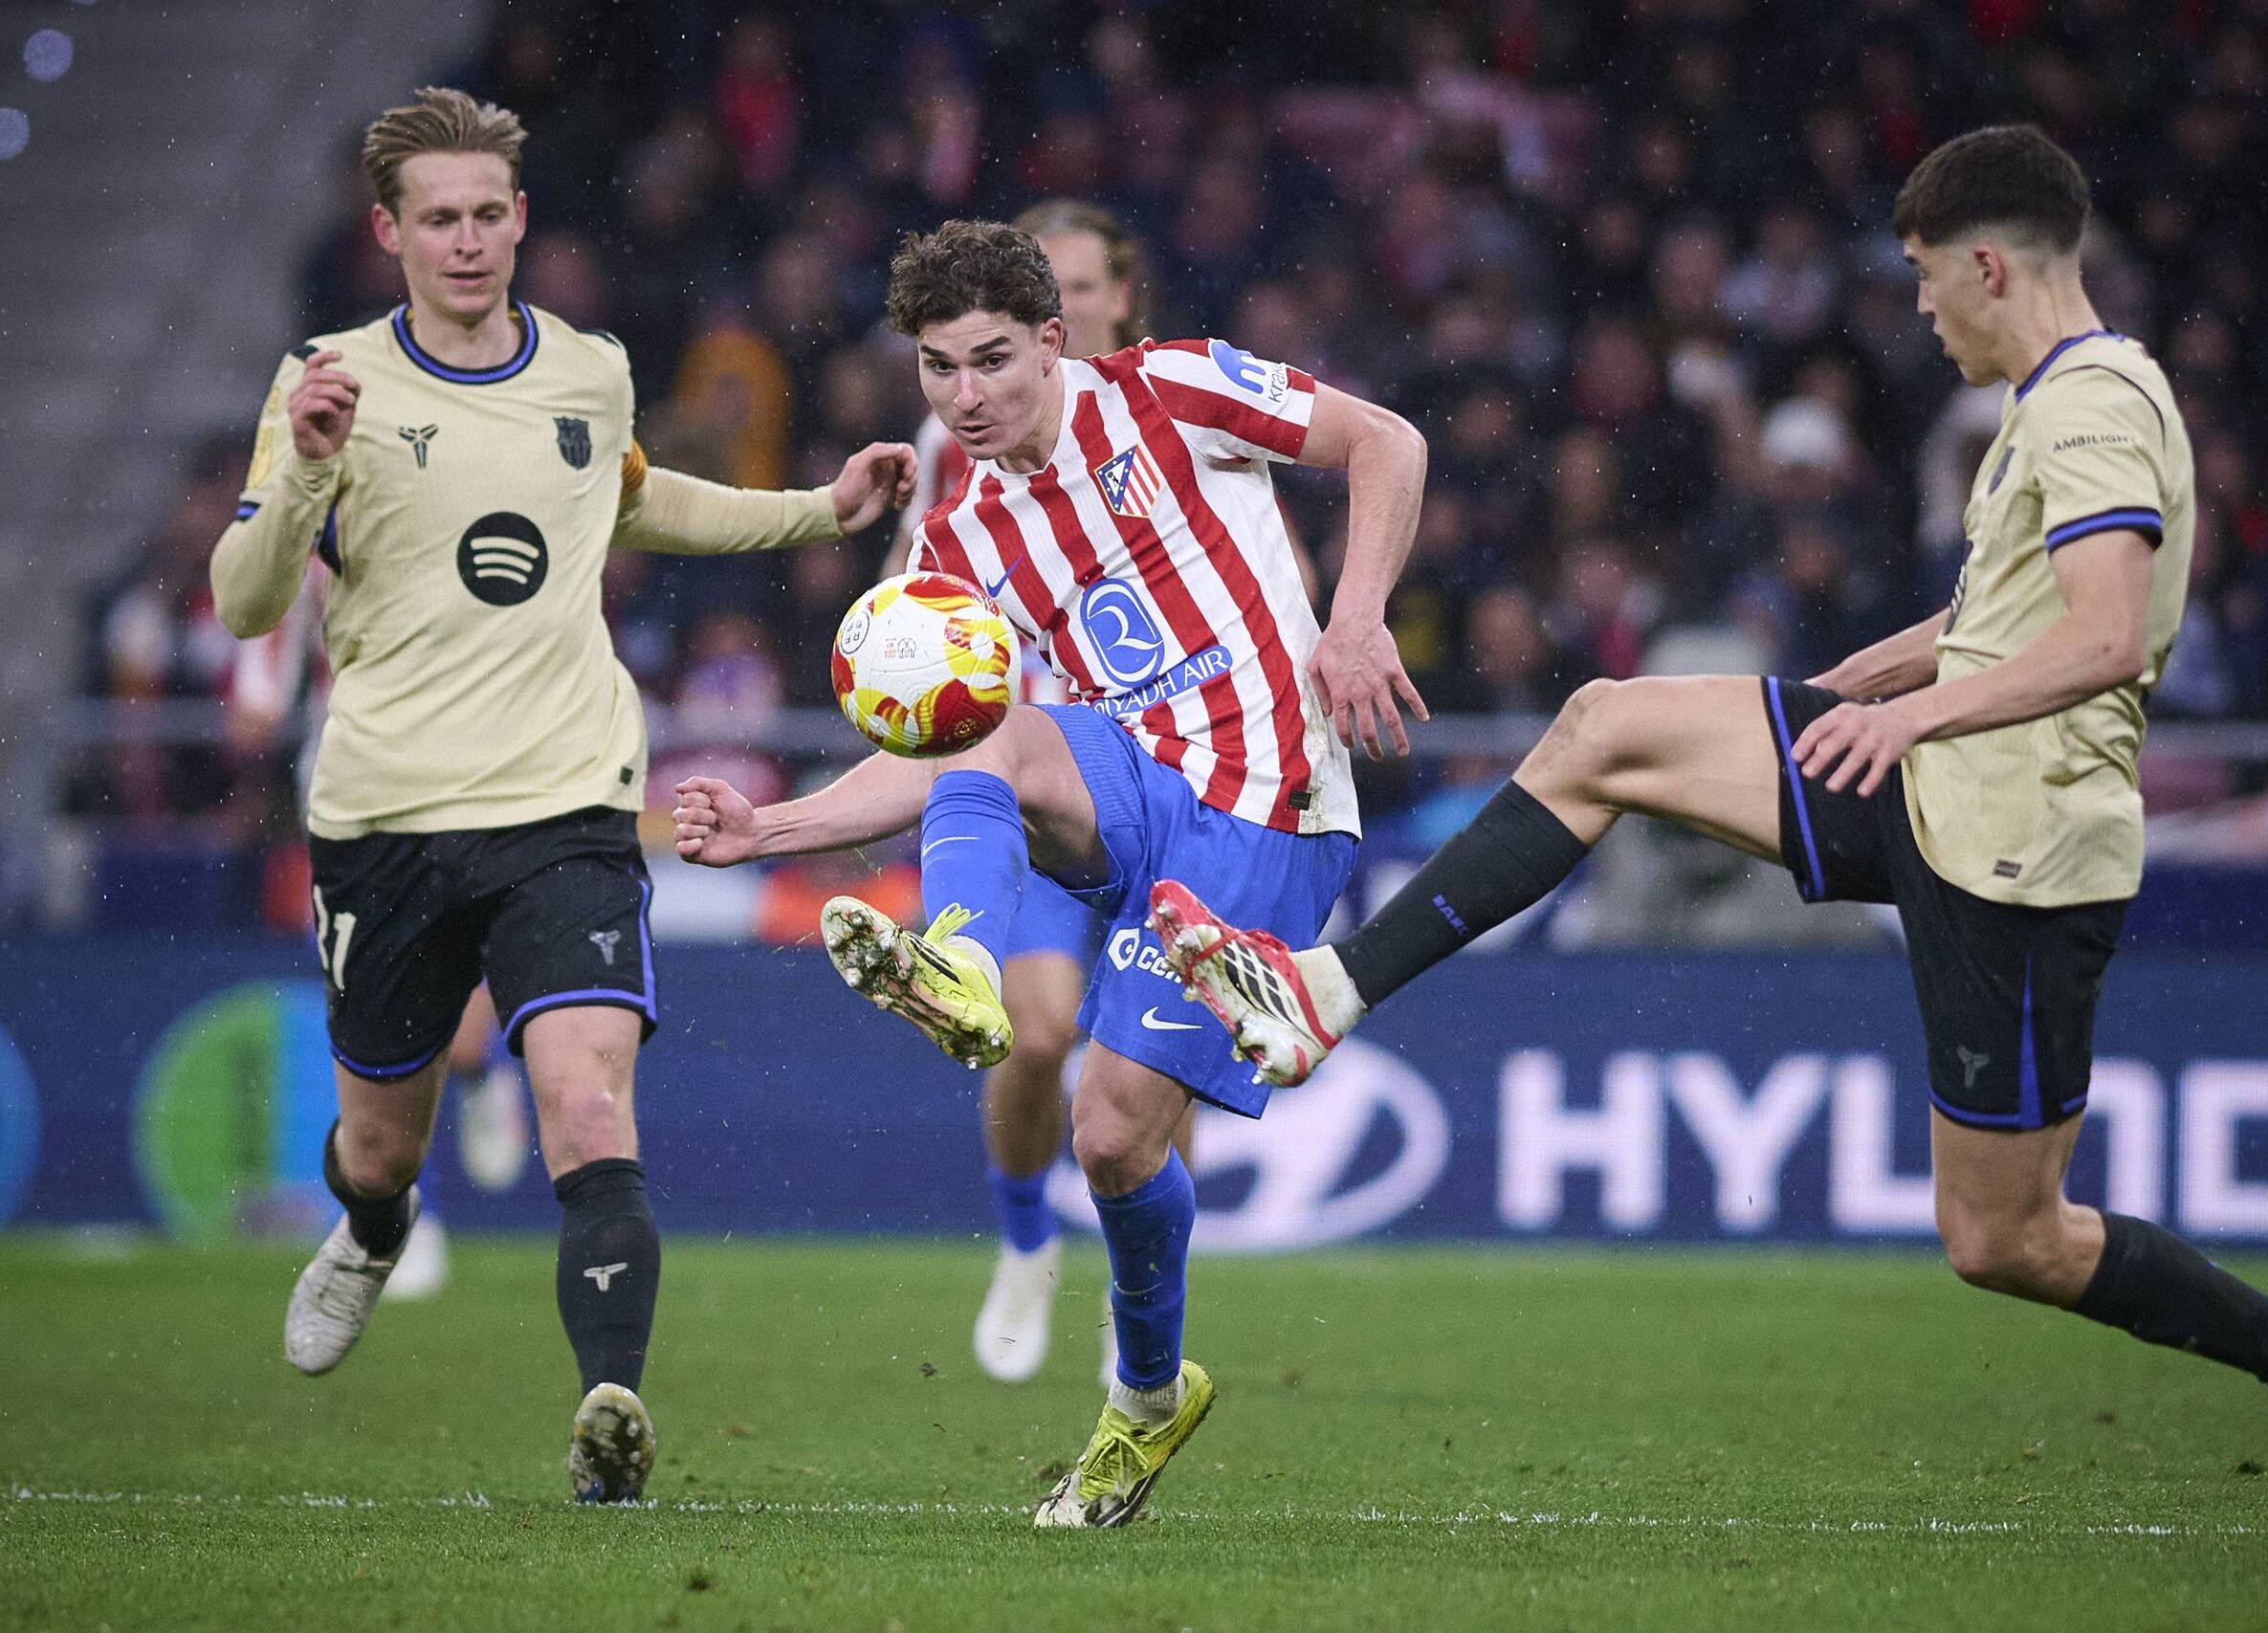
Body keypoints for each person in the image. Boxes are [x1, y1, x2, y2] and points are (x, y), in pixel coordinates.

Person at [1145, 125, 2268, 1554]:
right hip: (1937, 783)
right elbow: (2022, 606)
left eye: (1926, 274)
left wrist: (1916, 715)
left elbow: (2109, 635)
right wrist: (1882, 672)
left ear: (1990, 264)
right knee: (1603, 726)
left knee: (2006, 1237)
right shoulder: (2066, 397)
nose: (1920, 306)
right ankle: (1327, 991)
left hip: (2018, 847)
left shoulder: (2093, 405)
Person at [209, 87, 914, 1504]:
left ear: (521, 217)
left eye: (489, 214)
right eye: (439, 220)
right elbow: (243, 601)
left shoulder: (588, 372)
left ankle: (610, 1413)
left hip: (567, 799)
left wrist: (814, 511)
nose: (468, 241)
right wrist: (306, 471)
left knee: (585, 1105)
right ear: (389, 233)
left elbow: (637, 499)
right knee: (379, 1143)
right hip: (387, 816)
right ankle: (369, 1228)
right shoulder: (325, 382)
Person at [672, 219, 1427, 1527]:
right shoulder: (956, 537)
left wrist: (1354, 619)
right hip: (1127, 786)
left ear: (1055, 342)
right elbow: (933, 750)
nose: (964, 396)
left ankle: (1146, 1395)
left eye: (992, 360)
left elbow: (1389, 442)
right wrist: (768, 828)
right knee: (981, 715)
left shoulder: (1171, 388)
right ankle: (959, 955)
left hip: (1269, 799)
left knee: (1114, 1137)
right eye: (937, 368)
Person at [890, 199, 1189, 1387]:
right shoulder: (955, 452)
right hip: (1041, 782)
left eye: (1078, 284)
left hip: (1177, 777)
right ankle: (1023, 1239)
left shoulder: (1163, 413)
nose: (970, 382)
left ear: (1098, 310)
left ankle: (1138, 1299)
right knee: (1037, 1032)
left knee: (1151, 1073)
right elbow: (919, 603)